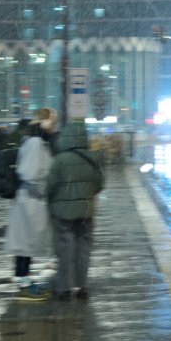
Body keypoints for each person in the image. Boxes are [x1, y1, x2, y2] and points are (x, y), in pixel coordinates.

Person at [46, 121, 104, 301]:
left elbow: (50, 186)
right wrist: (85, 195)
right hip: (86, 211)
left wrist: (53, 200)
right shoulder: (91, 158)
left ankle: (64, 288)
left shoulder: (59, 160)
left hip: (62, 212)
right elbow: (99, 184)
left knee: (65, 248)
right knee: (84, 248)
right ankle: (81, 286)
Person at [4, 108, 57, 301]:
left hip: (31, 202)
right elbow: (29, 174)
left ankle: (25, 281)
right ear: (43, 123)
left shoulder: (35, 141)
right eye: (52, 123)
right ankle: (23, 285)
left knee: (26, 245)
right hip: (31, 202)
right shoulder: (35, 143)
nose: (54, 127)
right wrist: (47, 188)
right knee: (25, 245)